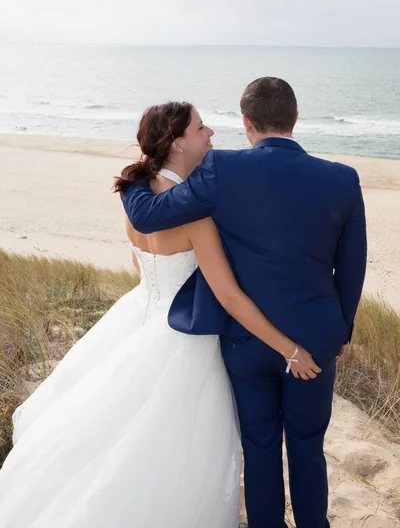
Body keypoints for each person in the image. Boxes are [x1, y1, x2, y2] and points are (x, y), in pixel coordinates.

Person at [0, 101, 319, 528]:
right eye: (202, 128)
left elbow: (140, 266)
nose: (211, 135)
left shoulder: (137, 198)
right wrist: (289, 350)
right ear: (177, 143)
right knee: (179, 448)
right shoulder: (193, 217)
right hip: (185, 342)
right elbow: (230, 298)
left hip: (143, 316)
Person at [122, 80, 368, 528]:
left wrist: (135, 177)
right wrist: (342, 331)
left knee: (259, 445)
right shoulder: (342, 179)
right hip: (315, 340)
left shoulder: (221, 170)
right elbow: (352, 268)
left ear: (247, 122)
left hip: (245, 341)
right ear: (294, 118)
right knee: (307, 445)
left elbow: (146, 216)